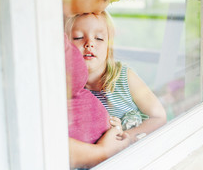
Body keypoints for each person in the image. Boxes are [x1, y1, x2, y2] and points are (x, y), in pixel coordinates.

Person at [60, 0, 146, 170]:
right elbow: (33, 132)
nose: (100, 11)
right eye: (108, 0)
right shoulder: (35, 23)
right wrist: (102, 152)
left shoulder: (57, 21)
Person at [66, 12, 167, 144]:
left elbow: (159, 117)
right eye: (78, 37)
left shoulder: (125, 77)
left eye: (99, 38)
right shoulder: (67, 88)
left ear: (109, 46)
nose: (89, 43)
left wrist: (127, 136)